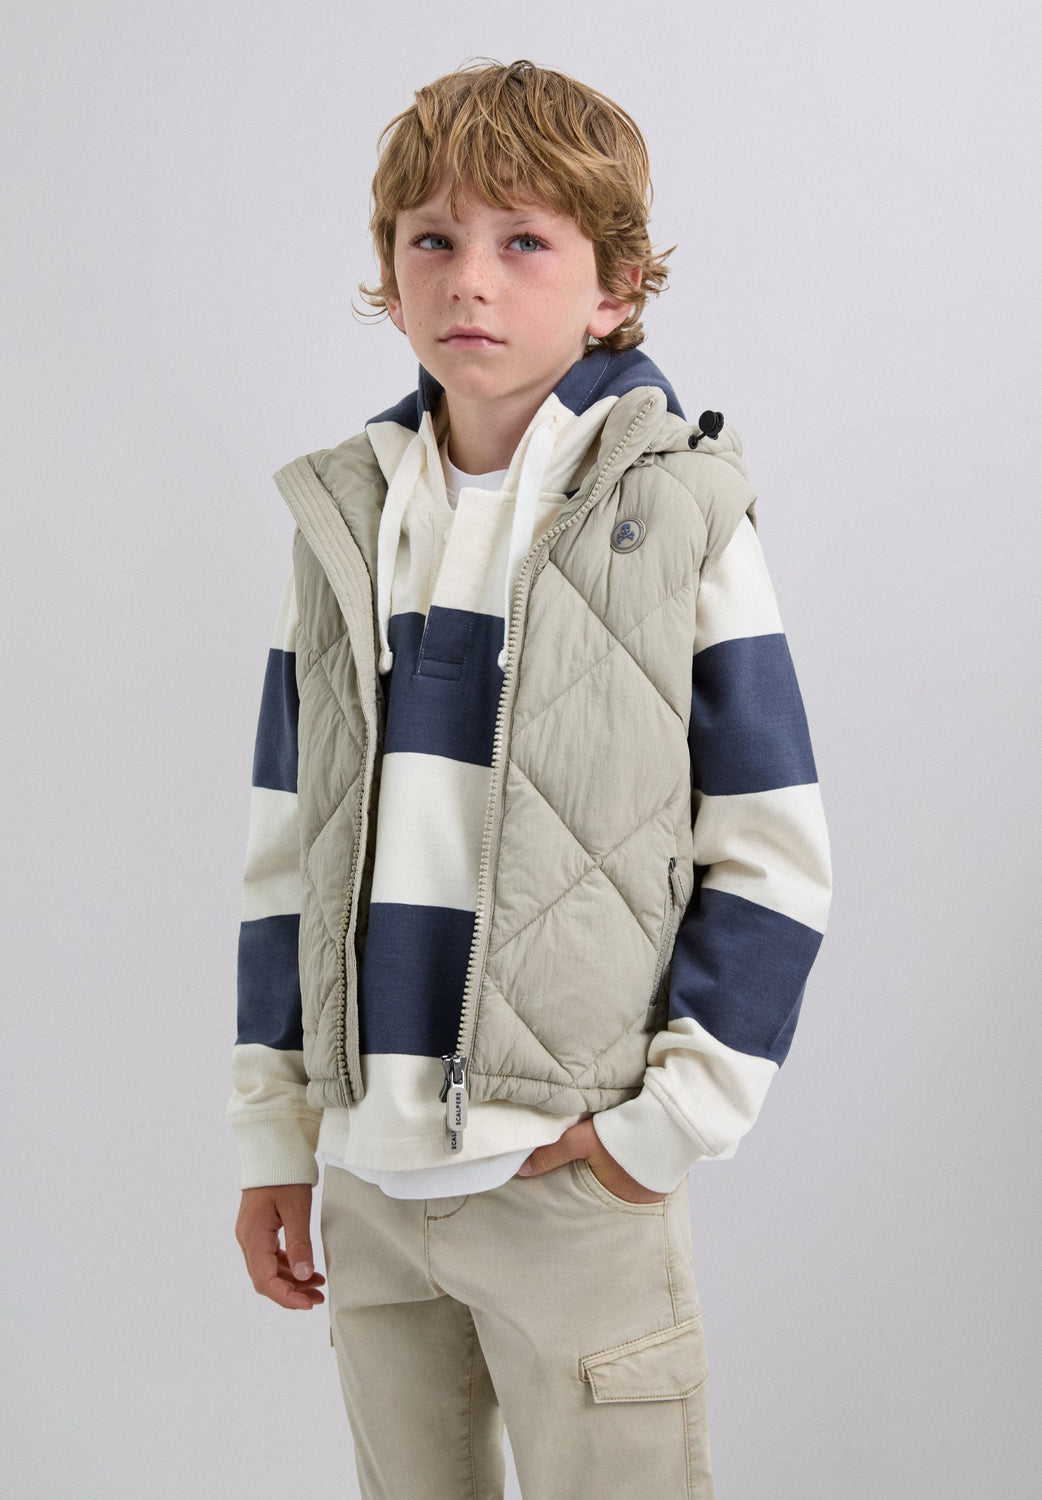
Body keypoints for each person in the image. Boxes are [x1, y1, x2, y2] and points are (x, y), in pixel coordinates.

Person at [229, 57, 831, 1500]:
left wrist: (665, 1128)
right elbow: (287, 846)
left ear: (614, 287)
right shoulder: (344, 520)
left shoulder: (682, 508)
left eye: (524, 241)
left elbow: (770, 846)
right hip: (370, 1185)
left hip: (568, 1181)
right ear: (389, 273)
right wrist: (276, 1134)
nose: (470, 280)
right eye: (431, 238)